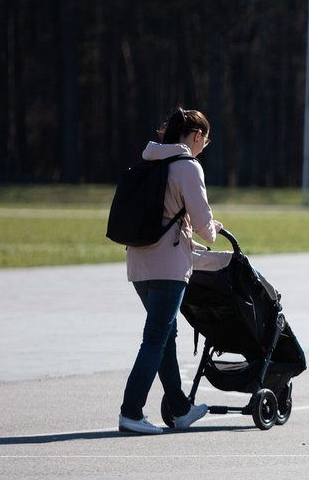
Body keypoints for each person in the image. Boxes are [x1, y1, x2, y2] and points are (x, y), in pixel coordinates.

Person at [119, 107, 223, 434]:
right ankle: (131, 412)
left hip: (139, 260)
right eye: (205, 139)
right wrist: (214, 229)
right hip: (168, 264)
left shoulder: (150, 160)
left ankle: (179, 408)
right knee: (155, 338)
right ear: (196, 136)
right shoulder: (187, 166)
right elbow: (205, 226)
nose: (204, 146)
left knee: (165, 336)